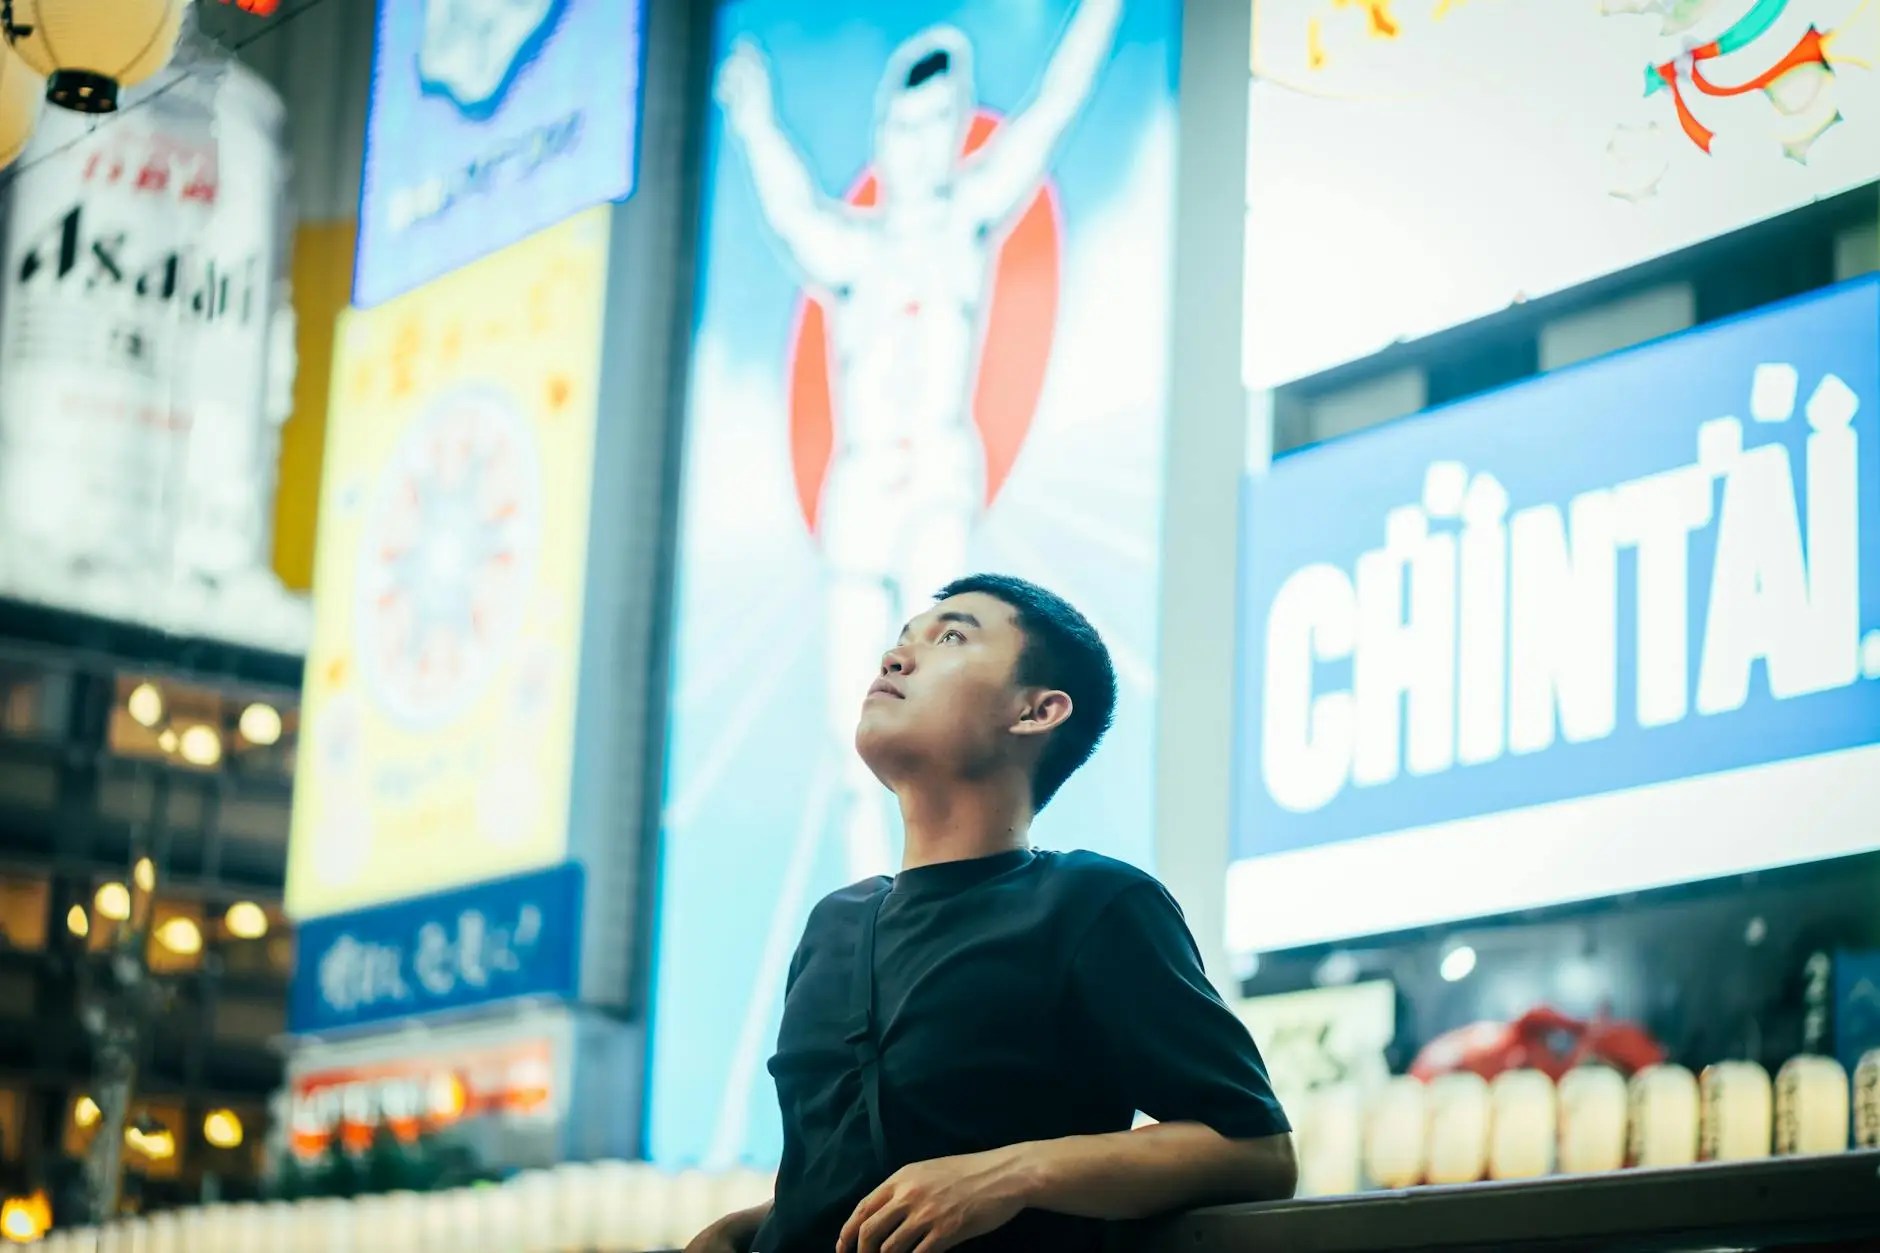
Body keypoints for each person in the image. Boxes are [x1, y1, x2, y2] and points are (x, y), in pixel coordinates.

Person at [686, 574, 1296, 1253]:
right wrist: (746, 1229)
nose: (895, 656)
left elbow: (1256, 1149)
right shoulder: (834, 923)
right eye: (900, 639)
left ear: (1037, 711)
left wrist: (1010, 1174)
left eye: (951, 636)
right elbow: (855, 1178)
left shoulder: (1093, 903)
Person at [713, 0, 1122, 884]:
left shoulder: (967, 216)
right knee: (861, 717)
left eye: (938, 124)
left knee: (946, 685)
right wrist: (750, 119)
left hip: (937, 471)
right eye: (906, 127)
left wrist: (1100, 15)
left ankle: (944, 874)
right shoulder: (852, 250)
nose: (920, 143)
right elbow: (787, 208)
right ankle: (881, 888)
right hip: (863, 493)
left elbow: (1049, 111)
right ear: (887, 134)